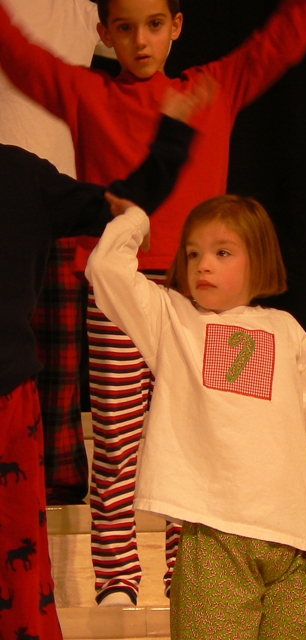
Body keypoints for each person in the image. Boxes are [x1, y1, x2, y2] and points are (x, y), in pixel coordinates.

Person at [0, 0, 306, 605]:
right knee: (118, 439)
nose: (141, 41)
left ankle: (190, 572)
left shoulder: (210, 88)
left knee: (199, 436)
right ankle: (117, 576)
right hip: (120, 297)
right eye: (125, 29)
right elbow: (23, 58)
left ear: (177, 25)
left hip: (199, 300)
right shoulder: (88, 93)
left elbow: (278, 42)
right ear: (104, 33)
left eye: (154, 25)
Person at [86, 193, 306, 639]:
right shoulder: (173, 321)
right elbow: (106, 270)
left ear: (259, 260)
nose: (203, 266)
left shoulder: (284, 329)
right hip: (217, 537)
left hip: (291, 542)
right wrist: (135, 221)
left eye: (222, 252)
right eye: (193, 253)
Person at [0, 89, 197, 640]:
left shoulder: (21, 176)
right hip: (12, 393)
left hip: (9, 398)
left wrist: (171, 138)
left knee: (18, 553)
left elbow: (121, 202)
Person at [0, 0, 101, 506]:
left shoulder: (81, 10)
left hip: (58, 187)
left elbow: (139, 35)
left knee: (59, 345)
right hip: (5, 189)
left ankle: (59, 466)